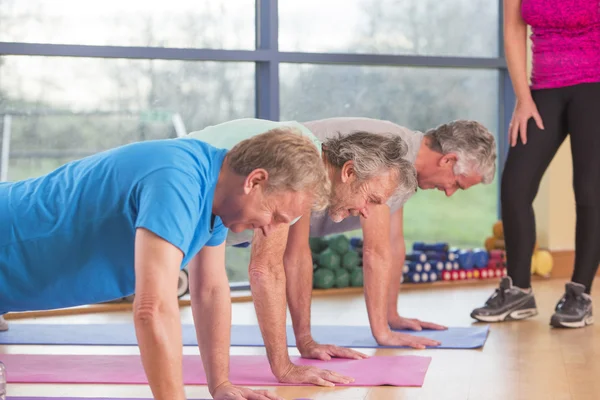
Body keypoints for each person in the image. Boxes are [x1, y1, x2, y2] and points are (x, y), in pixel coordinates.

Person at [0, 119, 340, 400]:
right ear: (255, 181)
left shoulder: (216, 195)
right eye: (276, 215)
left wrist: (220, 385)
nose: (270, 229)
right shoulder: (179, 180)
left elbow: (209, 290)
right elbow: (152, 308)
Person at [211, 117, 496, 359]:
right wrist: (380, 333)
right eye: (457, 184)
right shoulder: (388, 153)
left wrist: (391, 316)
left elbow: (393, 245)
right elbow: (372, 252)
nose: (449, 192)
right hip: (243, 199)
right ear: (448, 159)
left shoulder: (403, 168)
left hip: (243, 214)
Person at [470, 0, 600, 328]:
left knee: (589, 190)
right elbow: (514, 31)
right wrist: (522, 98)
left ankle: (579, 294)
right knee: (515, 186)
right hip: (543, 89)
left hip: (594, 85)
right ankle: (519, 290)